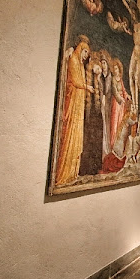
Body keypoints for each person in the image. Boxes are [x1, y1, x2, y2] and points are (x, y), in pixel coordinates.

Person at [55, 35, 94, 185]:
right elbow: (76, 81)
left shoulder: (80, 64)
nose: (86, 56)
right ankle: (65, 174)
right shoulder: (73, 60)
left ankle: (73, 173)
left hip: (78, 105)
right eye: (85, 52)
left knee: (77, 136)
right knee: (71, 134)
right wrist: (87, 87)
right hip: (72, 104)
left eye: (87, 54)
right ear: (80, 49)